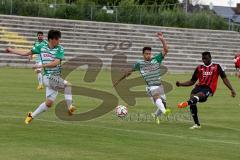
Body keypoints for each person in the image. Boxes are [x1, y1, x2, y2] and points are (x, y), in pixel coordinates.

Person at [5, 30, 76, 124]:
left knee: (49, 103)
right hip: (48, 77)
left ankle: (31, 115)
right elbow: (26, 53)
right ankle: (69, 107)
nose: (59, 41)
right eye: (57, 39)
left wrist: (41, 66)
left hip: (55, 78)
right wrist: (11, 50)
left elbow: (56, 63)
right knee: (68, 85)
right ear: (51, 40)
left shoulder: (60, 48)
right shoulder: (41, 47)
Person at [113, 32, 171, 124]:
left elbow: (166, 50)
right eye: (146, 54)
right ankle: (165, 112)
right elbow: (128, 72)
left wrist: (162, 39)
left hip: (159, 85)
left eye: (149, 53)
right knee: (157, 97)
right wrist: (118, 81)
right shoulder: (139, 64)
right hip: (150, 87)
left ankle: (156, 115)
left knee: (163, 104)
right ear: (143, 54)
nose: (148, 55)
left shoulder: (156, 59)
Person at [176, 51, 236, 129]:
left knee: (199, 95)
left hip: (209, 88)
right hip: (199, 87)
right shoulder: (199, 68)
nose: (204, 60)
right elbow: (192, 81)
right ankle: (197, 124)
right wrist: (181, 84)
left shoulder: (217, 66)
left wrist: (232, 89)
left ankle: (186, 103)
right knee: (192, 98)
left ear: (210, 58)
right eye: (203, 59)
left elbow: (224, 79)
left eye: (206, 58)